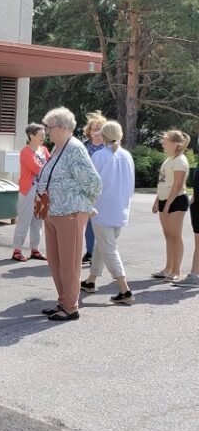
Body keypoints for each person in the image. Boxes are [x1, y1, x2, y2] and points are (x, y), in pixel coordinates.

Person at [36, 107, 102, 321]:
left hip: (70, 213)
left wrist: (83, 205)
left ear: (64, 128)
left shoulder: (74, 149)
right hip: (53, 212)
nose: (47, 131)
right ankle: (63, 300)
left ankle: (71, 307)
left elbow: (93, 183)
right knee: (55, 261)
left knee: (69, 262)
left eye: (50, 127)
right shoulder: (57, 148)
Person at [80, 121, 135, 303]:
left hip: (102, 209)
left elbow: (92, 184)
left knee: (108, 248)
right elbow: (131, 184)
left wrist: (87, 203)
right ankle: (91, 280)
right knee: (102, 246)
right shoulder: (126, 155)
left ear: (103, 136)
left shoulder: (100, 156)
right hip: (120, 209)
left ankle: (124, 289)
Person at [151, 129, 191, 281]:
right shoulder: (169, 159)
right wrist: (157, 201)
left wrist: (167, 204)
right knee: (168, 236)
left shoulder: (181, 160)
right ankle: (168, 269)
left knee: (175, 236)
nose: (163, 145)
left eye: (166, 142)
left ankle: (176, 271)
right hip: (164, 201)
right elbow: (163, 183)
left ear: (175, 144)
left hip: (176, 201)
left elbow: (178, 185)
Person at [11, 122, 49, 262]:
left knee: (38, 220)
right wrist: (49, 169)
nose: (43, 137)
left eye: (44, 135)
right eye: (41, 135)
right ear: (31, 136)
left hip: (41, 190)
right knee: (24, 220)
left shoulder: (44, 150)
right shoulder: (25, 152)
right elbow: (38, 168)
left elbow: (49, 165)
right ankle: (17, 250)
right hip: (29, 189)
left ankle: (35, 249)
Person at [81, 112, 107, 262]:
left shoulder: (109, 148)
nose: (96, 131)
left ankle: (102, 250)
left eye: (100, 128)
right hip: (86, 190)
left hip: (104, 190)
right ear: (89, 130)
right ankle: (90, 251)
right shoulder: (83, 146)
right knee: (88, 221)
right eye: (94, 128)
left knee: (102, 222)